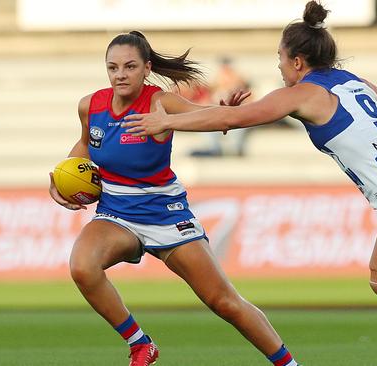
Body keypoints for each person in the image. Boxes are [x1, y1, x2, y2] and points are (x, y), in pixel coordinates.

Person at [121, 3, 377, 366]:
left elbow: (234, 121)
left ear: (297, 60)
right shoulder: (352, 81)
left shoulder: (302, 93)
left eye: (279, 57)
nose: (278, 66)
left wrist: (168, 121)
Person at [48, 31, 300, 366]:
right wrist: (60, 178)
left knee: (224, 302)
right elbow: (84, 147)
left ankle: (288, 364)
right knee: (82, 266)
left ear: (146, 68)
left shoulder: (160, 103)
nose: (120, 74)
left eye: (129, 66)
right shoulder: (90, 106)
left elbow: (202, 115)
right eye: (113, 67)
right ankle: (140, 344)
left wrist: (222, 114)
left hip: (167, 216)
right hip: (116, 214)